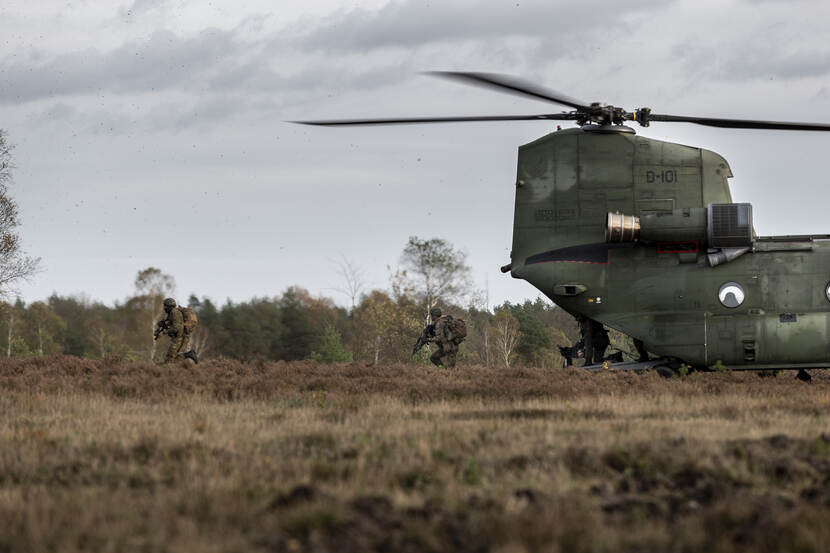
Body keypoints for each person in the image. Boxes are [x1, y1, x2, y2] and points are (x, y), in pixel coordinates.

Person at [155, 298, 199, 364]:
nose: (164, 308)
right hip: (178, 337)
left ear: (169, 306)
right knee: (171, 359)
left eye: (165, 306)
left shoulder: (174, 313)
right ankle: (189, 354)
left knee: (170, 359)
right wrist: (162, 324)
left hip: (180, 338)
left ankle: (189, 354)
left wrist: (164, 332)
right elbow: (170, 322)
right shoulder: (171, 313)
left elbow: (176, 327)